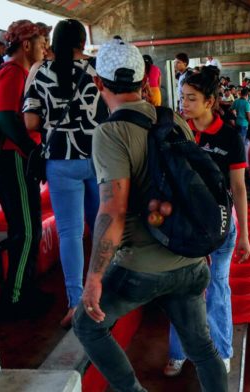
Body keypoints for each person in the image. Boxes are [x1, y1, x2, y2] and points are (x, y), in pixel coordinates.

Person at [72, 38, 227, 392]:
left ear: (98, 83)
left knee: (87, 324)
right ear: (144, 82)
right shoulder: (173, 120)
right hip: (189, 263)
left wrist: (94, 277)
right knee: (202, 349)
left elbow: (113, 208)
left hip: (140, 269)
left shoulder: (110, 133)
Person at [161, 66, 250, 376]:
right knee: (183, 288)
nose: (184, 105)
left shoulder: (229, 138)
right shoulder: (176, 132)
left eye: (191, 99)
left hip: (221, 226)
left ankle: (221, 351)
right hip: (185, 227)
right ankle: (178, 352)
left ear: (210, 101)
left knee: (217, 287)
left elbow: (238, 188)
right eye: (182, 98)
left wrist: (245, 236)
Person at [23, 19, 106, 327]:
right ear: (82, 43)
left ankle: (75, 303)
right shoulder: (97, 71)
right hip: (97, 160)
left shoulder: (41, 73)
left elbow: (31, 123)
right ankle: (103, 295)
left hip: (60, 161)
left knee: (70, 233)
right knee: (102, 228)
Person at [0, 20, 49, 318]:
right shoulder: (12, 72)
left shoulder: (24, 73)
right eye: (41, 42)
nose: (45, 47)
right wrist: (31, 150)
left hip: (18, 159)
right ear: (26, 45)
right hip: (12, 160)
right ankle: (14, 300)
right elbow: (4, 119)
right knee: (25, 231)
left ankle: (26, 289)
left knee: (30, 229)